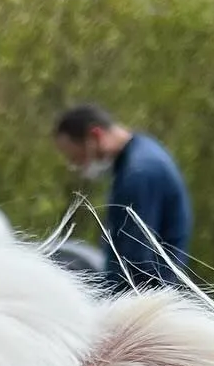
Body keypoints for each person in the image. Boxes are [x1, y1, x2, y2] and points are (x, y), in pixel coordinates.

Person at [53, 103, 192, 289]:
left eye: (78, 158)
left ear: (95, 136)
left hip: (144, 298)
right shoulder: (139, 157)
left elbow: (135, 263)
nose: (78, 166)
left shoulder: (139, 174)